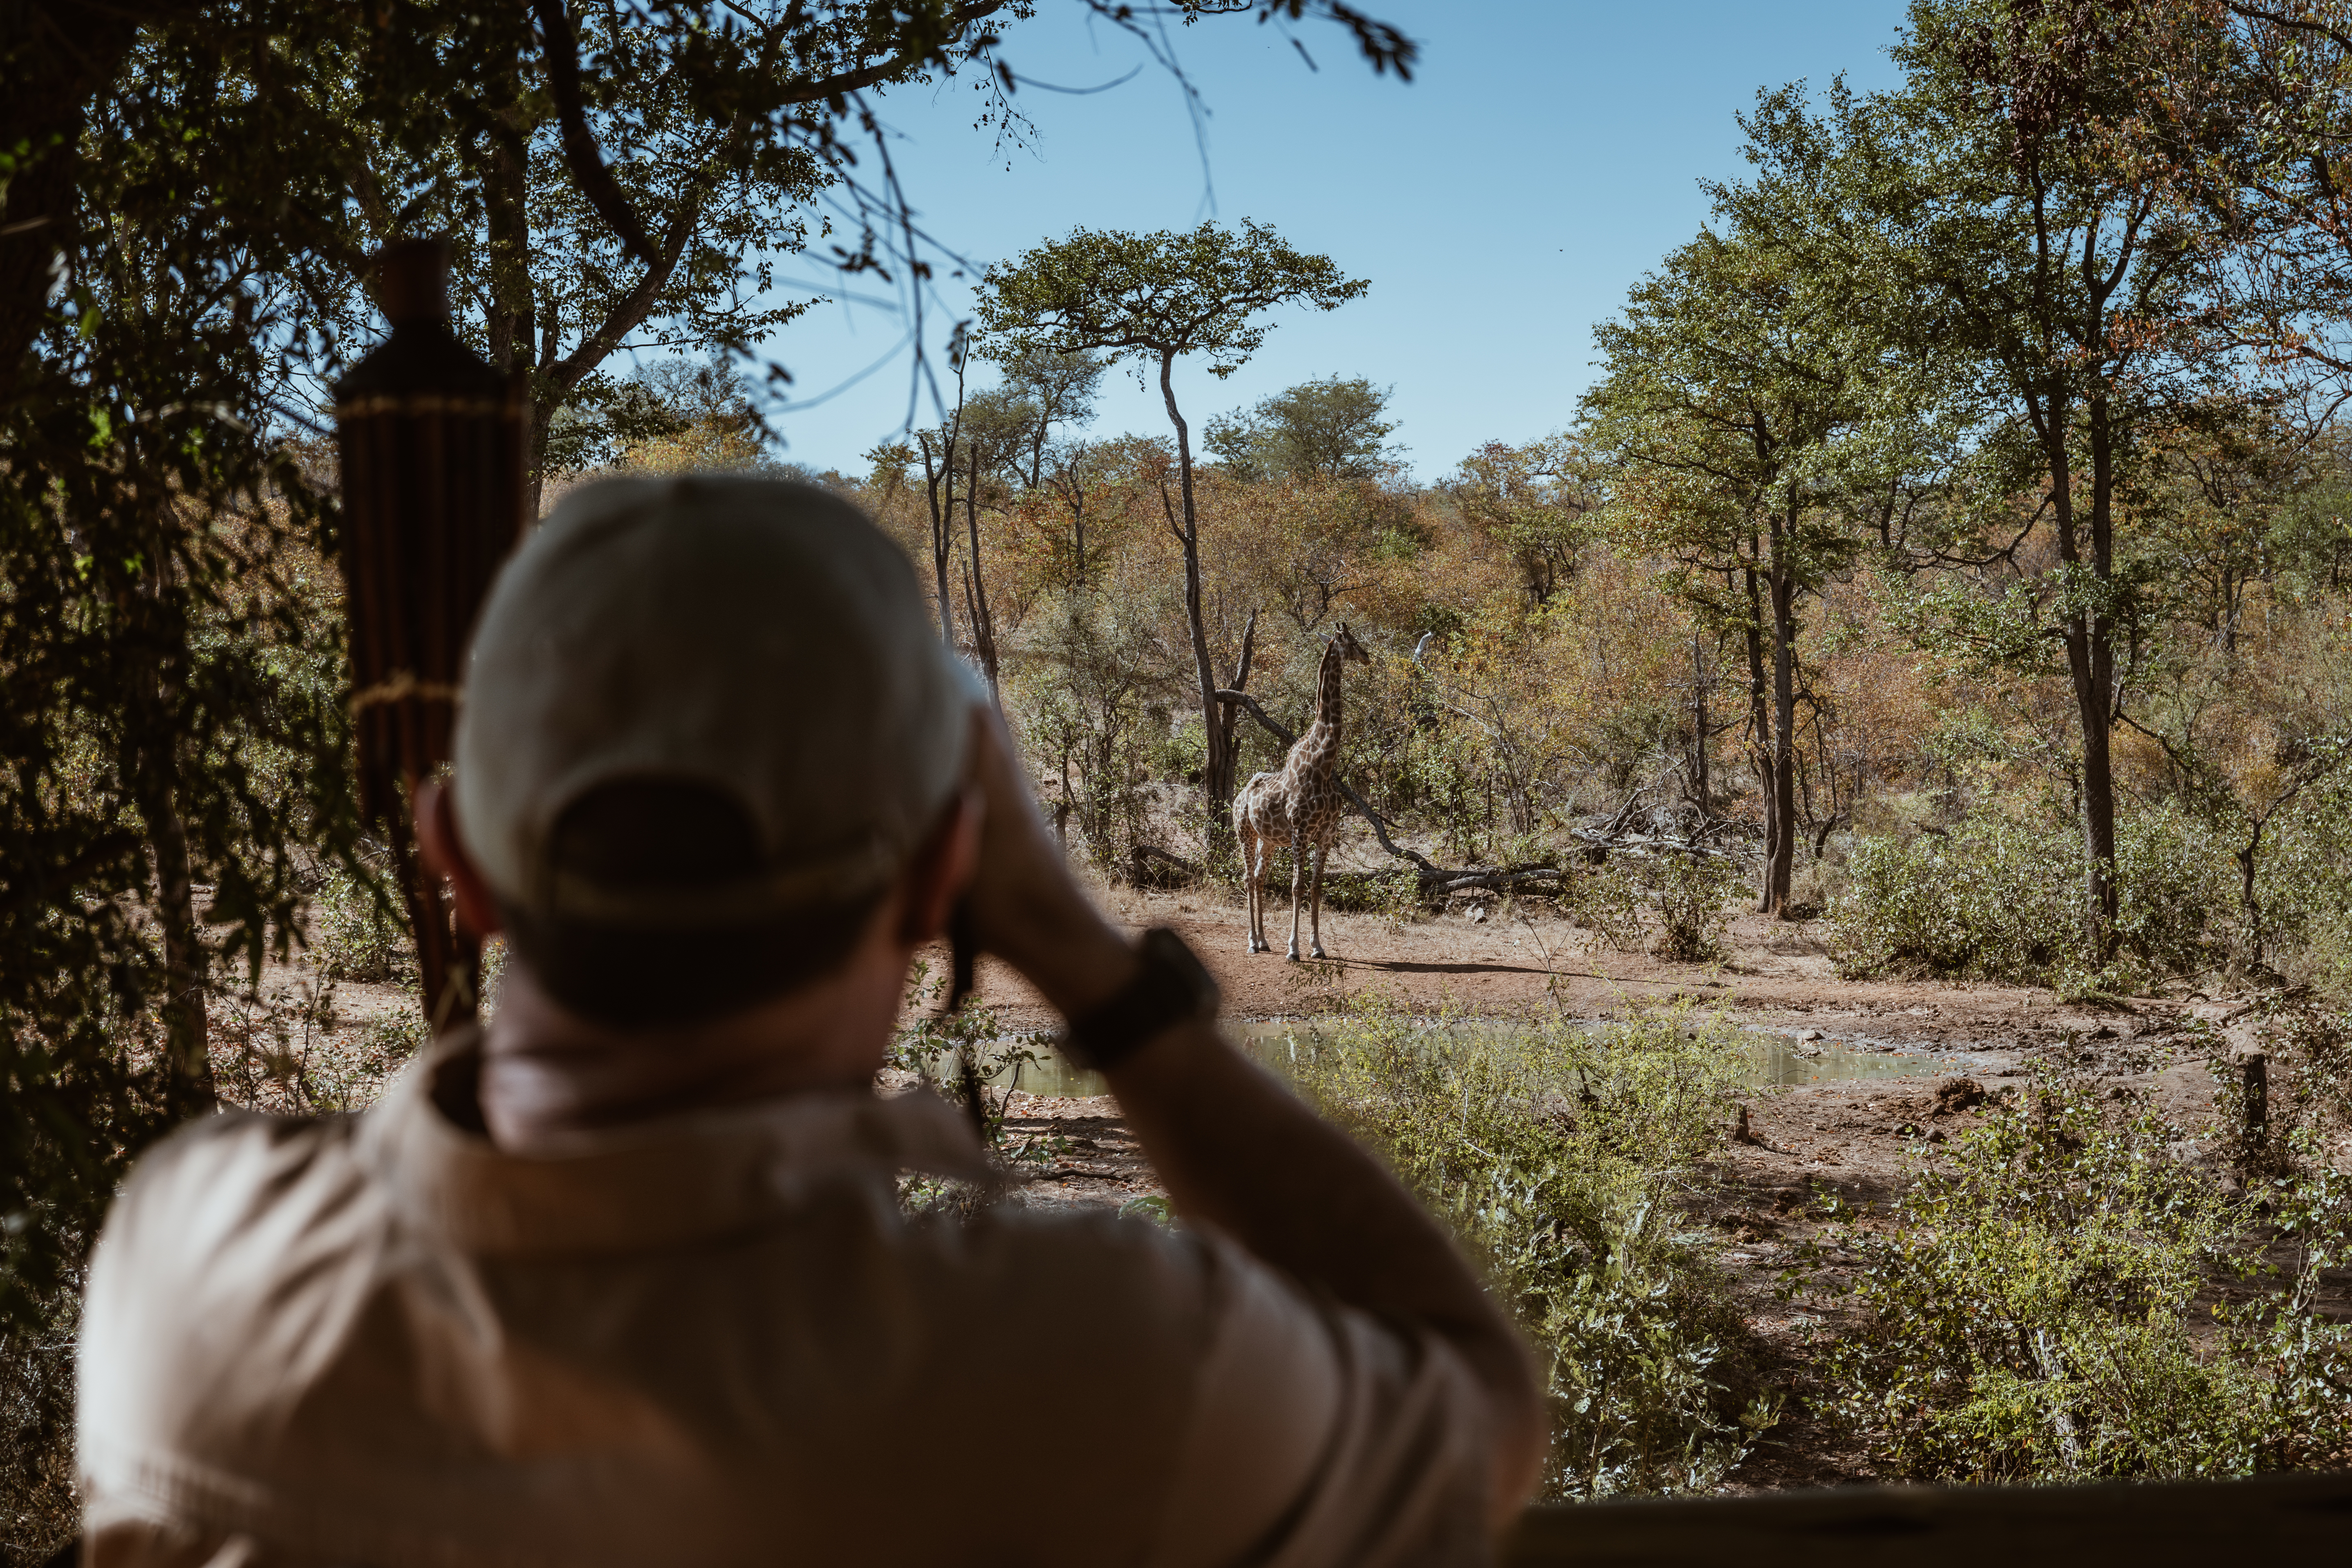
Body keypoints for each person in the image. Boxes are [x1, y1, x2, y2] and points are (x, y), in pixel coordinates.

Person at [74, 477, 1545, 1567]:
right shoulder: (1102, 1362)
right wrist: (1090, 958)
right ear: (940, 870)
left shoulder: (185, 1248)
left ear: (457, 864)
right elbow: (1479, 1409)